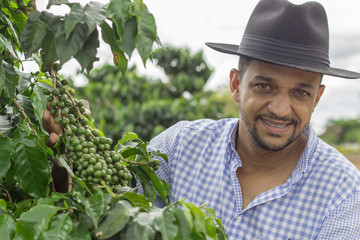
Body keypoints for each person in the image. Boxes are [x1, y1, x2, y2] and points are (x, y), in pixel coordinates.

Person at [43, 0, 360, 239]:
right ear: (236, 85)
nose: (280, 108)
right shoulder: (179, 147)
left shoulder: (343, 192)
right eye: (265, 86)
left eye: (300, 93)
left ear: (317, 98)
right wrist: (68, 154)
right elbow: (107, 206)